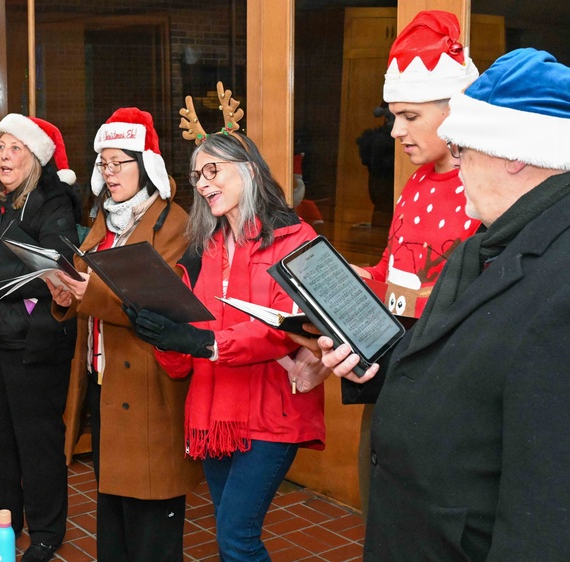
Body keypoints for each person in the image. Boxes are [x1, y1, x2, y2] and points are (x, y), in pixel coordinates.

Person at [319, 48, 570, 560]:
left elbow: (546, 507)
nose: (454, 166)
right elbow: (465, 364)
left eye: (461, 148)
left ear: (513, 151)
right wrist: (381, 361)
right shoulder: (483, 242)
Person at [128, 132, 326, 562]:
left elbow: (285, 327)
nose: (201, 183)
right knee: (230, 531)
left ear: (249, 170)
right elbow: (190, 340)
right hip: (215, 411)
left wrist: (203, 341)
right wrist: (163, 333)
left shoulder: (295, 237)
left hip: (273, 409)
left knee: (237, 538)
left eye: (212, 170)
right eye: (198, 174)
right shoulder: (208, 246)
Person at [47, 108, 202, 562]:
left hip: (148, 385)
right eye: (103, 164)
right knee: (113, 517)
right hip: (104, 380)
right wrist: (64, 296)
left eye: (119, 163)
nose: (109, 173)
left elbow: (153, 306)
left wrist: (86, 293)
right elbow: (86, 284)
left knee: (151, 523)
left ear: (146, 165)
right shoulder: (105, 218)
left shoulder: (174, 224)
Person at [351, 11, 481, 517]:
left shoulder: (483, 191)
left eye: (410, 117)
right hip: (391, 378)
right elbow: (394, 268)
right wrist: (361, 284)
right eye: (393, 117)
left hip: (447, 395)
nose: (394, 132)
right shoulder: (414, 184)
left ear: (455, 112)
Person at [0, 114, 80, 562]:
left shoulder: (55, 200)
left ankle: (46, 532)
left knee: (38, 441)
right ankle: (3, 522)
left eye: (15, 149)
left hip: (36, 342)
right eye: (0, 148)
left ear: (35, 158)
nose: (4, 156)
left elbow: (53, 267)